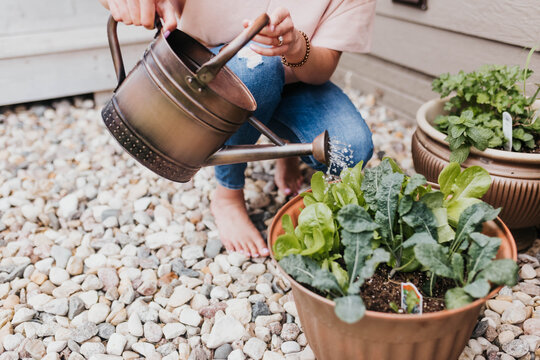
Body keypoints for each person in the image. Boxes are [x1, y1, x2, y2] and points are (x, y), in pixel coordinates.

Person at [98, 0, 376, 258]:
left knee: (350, 150)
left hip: (296, 80)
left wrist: (296, 47)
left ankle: (286, 151)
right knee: (259, 68)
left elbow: (322, 68)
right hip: (211, 72)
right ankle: (228, 193)